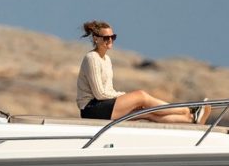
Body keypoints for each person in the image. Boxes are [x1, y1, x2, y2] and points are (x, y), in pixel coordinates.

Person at [76, 21, 208, 124]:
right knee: (141, 96)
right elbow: (100, 94)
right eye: (106, 38)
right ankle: (189, 109)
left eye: (112, 37)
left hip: (103, 106)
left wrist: (125, 99)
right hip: (91, 109)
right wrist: (125, 97)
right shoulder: (92, 58)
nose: (110, 40)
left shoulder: (106, 59)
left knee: (146, 112)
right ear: (96, 39)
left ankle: (190, 119)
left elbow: (107, 90)